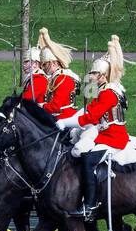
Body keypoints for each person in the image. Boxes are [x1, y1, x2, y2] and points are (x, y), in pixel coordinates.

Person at [56, 35, 131, 218]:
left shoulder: (108, 94)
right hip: (105, 134)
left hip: (114, 137)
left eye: (95, 74)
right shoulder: (105, 90)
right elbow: (89, 111)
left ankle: (90, 205)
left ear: (103, 75)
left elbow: (91, 117)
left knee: (88, 160)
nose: (92, 76)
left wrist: (66, 122)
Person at [37, 27, 79, 117]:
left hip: (64, 119)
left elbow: (55, 106)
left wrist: (40, 106)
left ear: (54, 63)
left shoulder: (63, 78)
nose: (42, 68)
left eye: (45, 64)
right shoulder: (56, 77)